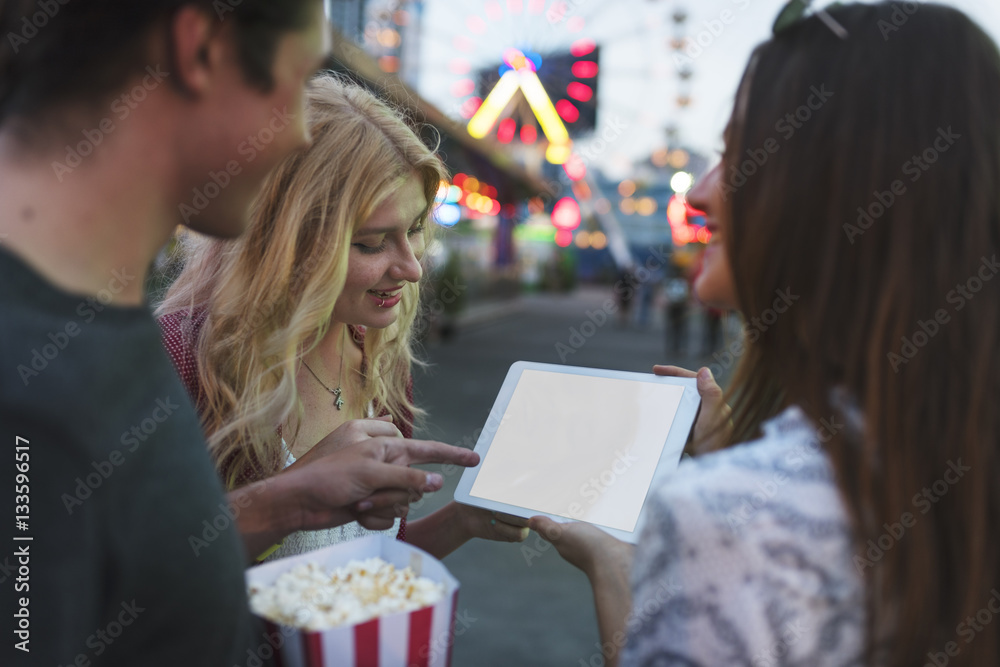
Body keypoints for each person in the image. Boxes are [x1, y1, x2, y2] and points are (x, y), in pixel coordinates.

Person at [0, 2, 477, 665]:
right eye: (297, 79)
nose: (292, 135)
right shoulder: (45, 376)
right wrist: (282, 502)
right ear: (201, 49)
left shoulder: (95, 339)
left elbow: (146, 595)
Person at [530, 3, 1000, 666]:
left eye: (740, 152)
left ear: (832, 189)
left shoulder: (726, 519)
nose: (700, 192)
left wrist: (621, 562)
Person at [156, 74, 527, 561]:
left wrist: (462, 520)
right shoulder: (176, 359)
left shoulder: (379, 354)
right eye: (371, 243)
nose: (412, 268)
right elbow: (132, 575)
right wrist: (294, 495)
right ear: (283, 244)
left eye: (415, 229)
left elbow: (365, 565)